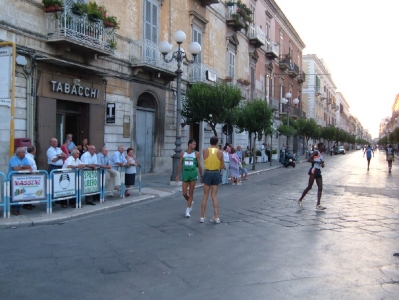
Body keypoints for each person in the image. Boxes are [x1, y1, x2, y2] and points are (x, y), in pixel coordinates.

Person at [200, 136, 225, 224]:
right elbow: (222, 166)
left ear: (210, 142)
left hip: (207, 173)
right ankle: (216, 216)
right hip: (216, 173)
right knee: (214, 196)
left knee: (205, 196)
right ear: (217, 143)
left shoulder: (205, 151)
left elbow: (206, 160)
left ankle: (202, 217)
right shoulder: (220, 152)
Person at [176, 139, 203, 218]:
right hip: (185, 173)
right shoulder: (183, 153)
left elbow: (199, 165)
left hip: (193, 174)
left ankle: (187, 210)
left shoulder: (196, 154)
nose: (195, 146)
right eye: (194, 144)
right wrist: (177, 174)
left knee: (191, 192)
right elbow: (180, 164)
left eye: (195, 144)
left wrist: (201, 175)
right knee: (184, 193)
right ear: (189, 144)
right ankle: (190, 201)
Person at [297, 142, 327, 210]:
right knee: (309, 186)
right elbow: (309, 159)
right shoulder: (316, 152)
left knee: (320, 188)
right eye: (323, 146)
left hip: (318, 171)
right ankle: (300, 200)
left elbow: (319, 162)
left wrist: (322, 164)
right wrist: (318, 162)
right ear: (320, 146)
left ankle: (318, 204)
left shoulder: (321, 154)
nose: (324, 147)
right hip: (313, 170)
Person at [8, 147, 33, 215]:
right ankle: (14, 208)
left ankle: (18, 208)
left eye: (25, 152)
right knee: (15, 194)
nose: (24, 154)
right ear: (18, 153)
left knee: (20, 194)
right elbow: (16, 168)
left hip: (22, 179)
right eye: (23, 152)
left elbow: (30, 167)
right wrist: (25, 168)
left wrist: (21, 167)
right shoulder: (13, 159)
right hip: (14, 179)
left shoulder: (25, 158)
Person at [23, 146, 37, 210]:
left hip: (31, 174)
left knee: (30, 189)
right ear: (33, 150)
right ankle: (26, 204)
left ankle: (29, 203)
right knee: (28, 189)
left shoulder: (30, 157)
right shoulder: (28, 157)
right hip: (29, 175)